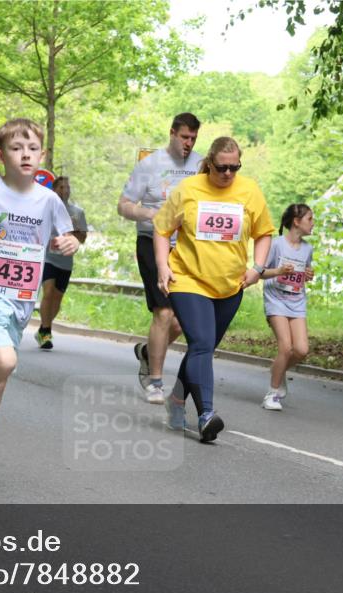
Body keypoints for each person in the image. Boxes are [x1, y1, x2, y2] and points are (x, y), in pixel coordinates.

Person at [0, 118, 80, 483]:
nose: (25, 155)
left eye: (32, 149)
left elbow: (67, 236)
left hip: (22, 298)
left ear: (42, 154)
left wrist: (71, 243)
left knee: (0, 380)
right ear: (0, 155)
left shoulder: (49, 200)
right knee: (4, 361)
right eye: (16, 148)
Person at [153, 136, 275, 443]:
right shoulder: (189, 190)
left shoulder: (249, 191)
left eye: (235, 167)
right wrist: (163, 266)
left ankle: (177, 400)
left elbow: (263, 233)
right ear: (210, 163)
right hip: (188, 278)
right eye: (222, 168)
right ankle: (206, 413)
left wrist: (257, 268)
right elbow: (161, 228)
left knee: (201, 348)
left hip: (230, 284)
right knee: (203, 343)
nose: (229, 174)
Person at [118, 112, 203, 403]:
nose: (188, 143)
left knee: (181, 322)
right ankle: (155, 380)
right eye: (184, 137)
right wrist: (148, 213)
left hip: (188, 248)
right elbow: (124, 205)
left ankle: (146, 352)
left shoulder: (202, 165)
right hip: (152, 241)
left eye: (193, 138)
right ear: (172, 133)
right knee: (164, 313)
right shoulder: (149, 165)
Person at [261, 204, 316, 410]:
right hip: (275, 299)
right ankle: (272, 395)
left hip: (297, 301)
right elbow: (261, 272)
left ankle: (278, 368)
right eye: (310, 219)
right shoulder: (276, 244)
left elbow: (303, 274)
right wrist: (279, 271)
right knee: (285, 347)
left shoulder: (308, 248)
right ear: (296, 221)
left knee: (301, 350)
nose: (313, 223)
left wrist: (308, 275)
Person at [36, 176, 88, 350]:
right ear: (54, 189)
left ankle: (44, 327)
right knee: (48, 292)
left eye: (68, 187)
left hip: (65, 261)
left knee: (57, 297)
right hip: (48, 257)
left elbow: (83, 237)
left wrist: (73, 234)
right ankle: (45, 331)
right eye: (61, 187)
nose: (65, 190)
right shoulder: (45, 209)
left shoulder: (77, 212)